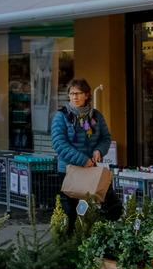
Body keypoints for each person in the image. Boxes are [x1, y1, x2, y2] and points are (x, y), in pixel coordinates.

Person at [51, 77, 119, 230]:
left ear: (87, 95)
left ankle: (99, 239)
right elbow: (59, 144)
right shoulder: (61, 116)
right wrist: (83, 160)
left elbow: (105, 138)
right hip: (69, 171)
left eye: (78, 93)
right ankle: (69, 246)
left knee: (109, 206)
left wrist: (99, 150)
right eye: (71, 93)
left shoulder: (96, 116)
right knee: (70, 214)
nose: (74, 97)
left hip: (90, 171)